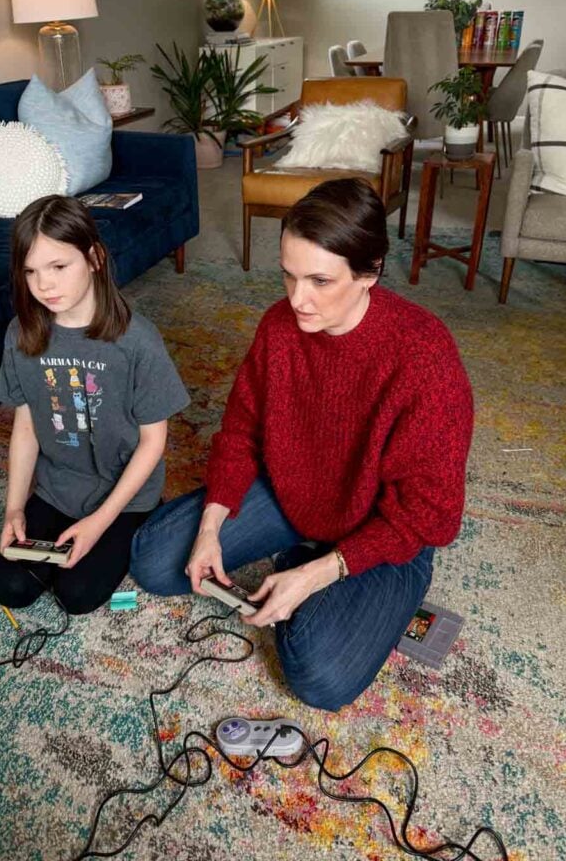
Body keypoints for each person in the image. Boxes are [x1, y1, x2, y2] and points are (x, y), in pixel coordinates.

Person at [130, 178, 473, 711]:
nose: (297, 299)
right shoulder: (279, 326)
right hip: (293, 493)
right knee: (152, 561)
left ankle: (311, 564)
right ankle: (303, 556)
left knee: (319, 678)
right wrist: (211, 527)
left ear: (369, 272)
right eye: (288, 275)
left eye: (319, 280)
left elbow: (429, 515)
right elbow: (240, 432)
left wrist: (317, 573)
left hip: (383, 526)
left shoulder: (425, 358)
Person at [0, 195, 189, 615]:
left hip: (124, 494)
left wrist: (100, 523)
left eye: (58, 267)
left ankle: (141, 522)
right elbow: (25, 426)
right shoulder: (20, 335)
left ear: (95, 258)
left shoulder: (138, 341)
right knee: (10, 588)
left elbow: (153, 443)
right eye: (30, 272)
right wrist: (14, 508)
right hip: (59, 485)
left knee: (76, 595)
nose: (44, 285)